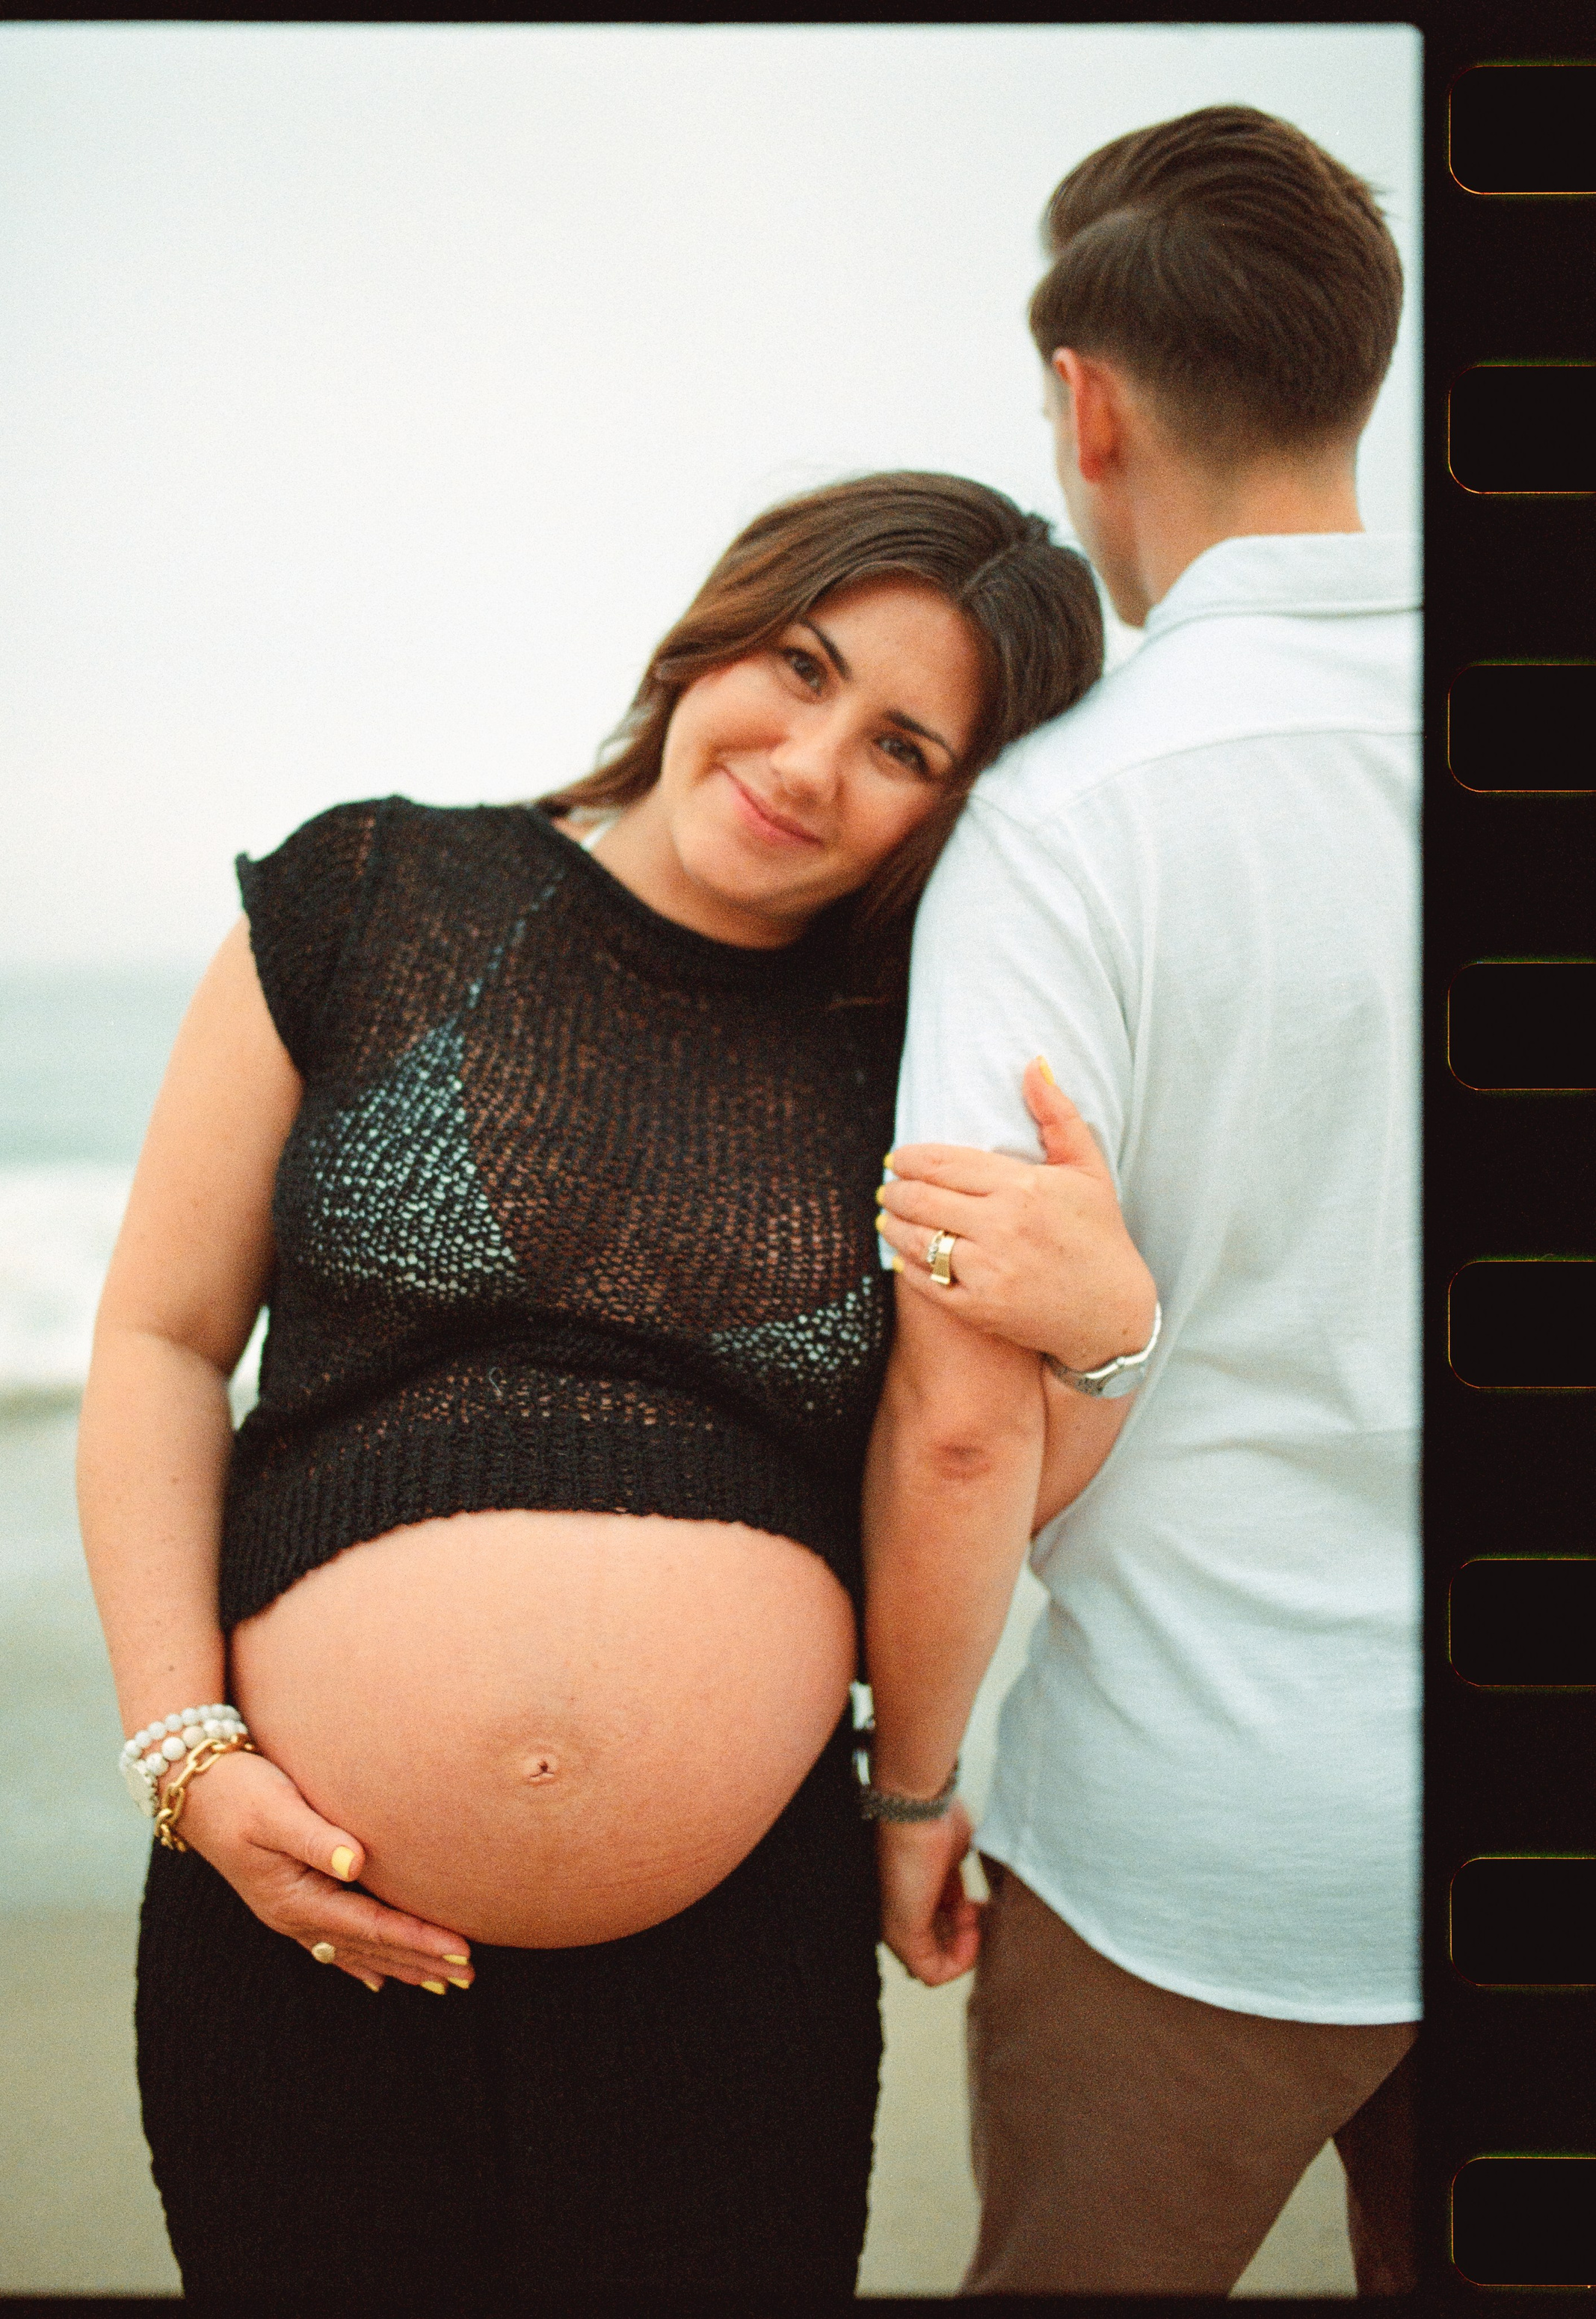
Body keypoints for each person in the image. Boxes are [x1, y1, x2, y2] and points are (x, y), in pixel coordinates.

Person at [76, 469, 1146, 2309]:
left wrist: (1109, 1328)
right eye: (800, 667)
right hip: (297, 1906)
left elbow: (971, 1472)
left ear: (951, 810)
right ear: (717, 630)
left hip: (730, 1967)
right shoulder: (367, 891)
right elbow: (160, 1342)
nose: (808, 762)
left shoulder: (918, 1048)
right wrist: (184, 1754)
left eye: (900, 747)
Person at [866, 106, 1419, 2294]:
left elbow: (964, 1418)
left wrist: (914, 1792)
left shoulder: (1065, 818)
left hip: (1199, 1839)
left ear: (1087, 407)